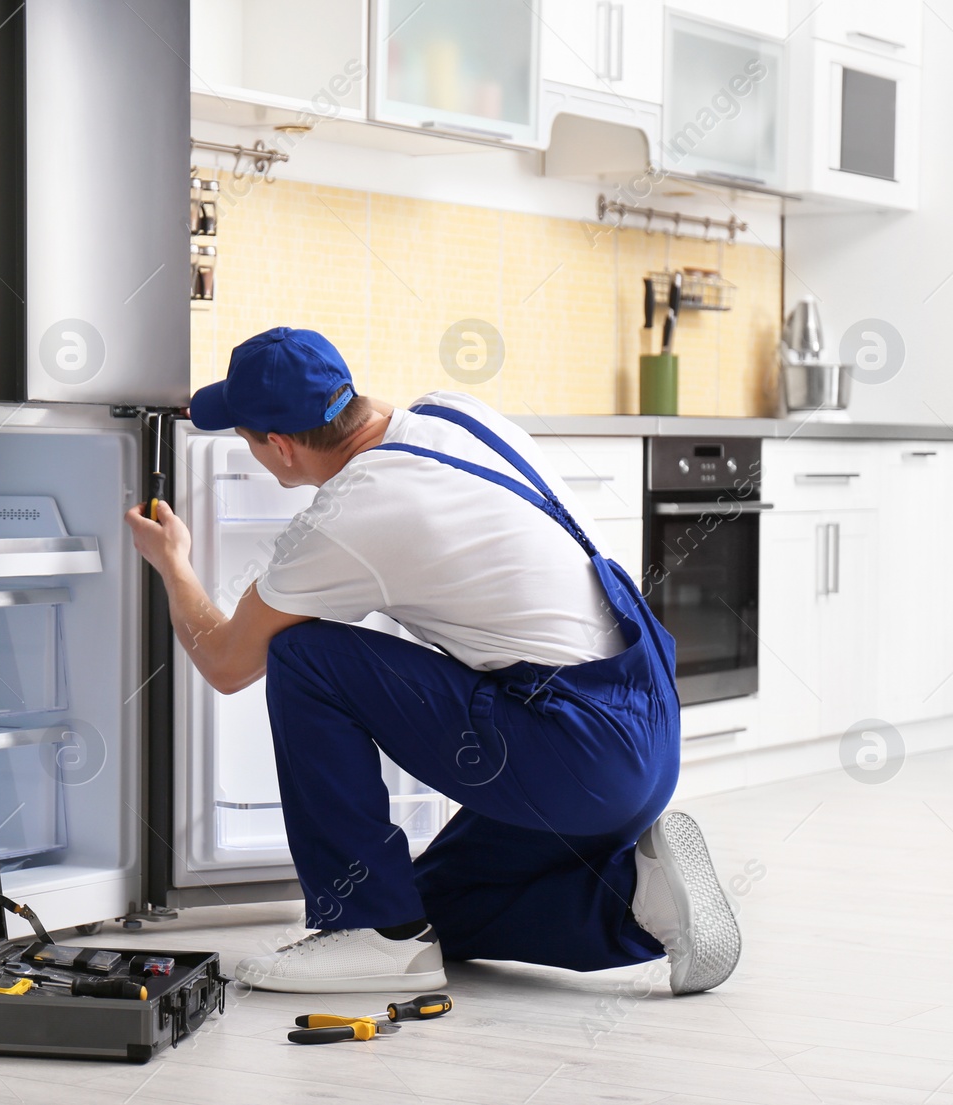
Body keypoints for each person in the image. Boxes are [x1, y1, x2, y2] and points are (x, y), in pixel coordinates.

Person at [124, 327, 740, 995]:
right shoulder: (454, 412)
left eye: (248, 438)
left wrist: (174, 564)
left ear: (280, 446)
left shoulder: (349, 514)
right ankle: (640, 902)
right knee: (430, 909)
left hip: (577, 751)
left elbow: (226, 662)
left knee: (304, 656)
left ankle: (369, 930)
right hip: (643, 728)